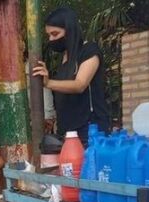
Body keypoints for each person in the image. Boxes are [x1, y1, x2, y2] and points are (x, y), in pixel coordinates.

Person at [32, 6, 110, 143]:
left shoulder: (89, 51)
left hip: (89, 131)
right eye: (49, 35)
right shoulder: (63, 59)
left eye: (55, 34)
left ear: (69, 30)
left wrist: (49, 82)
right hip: (67, 133)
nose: (51, 39)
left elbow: (80, 84)